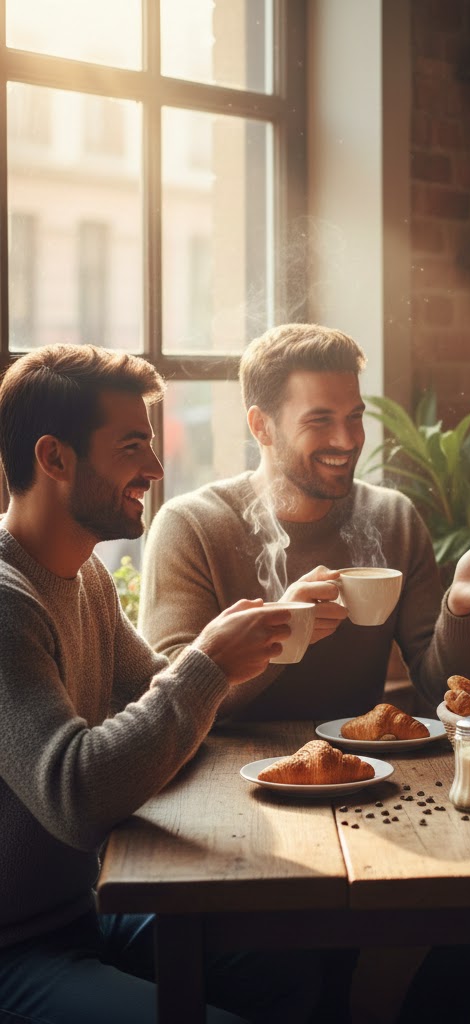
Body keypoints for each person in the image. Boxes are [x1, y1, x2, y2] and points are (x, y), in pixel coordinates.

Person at [0, 345, 320, 1023]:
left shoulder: (86, 577)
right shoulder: (7, 602)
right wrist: (206, 662)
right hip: (16, 951)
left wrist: (258, 643)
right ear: (54, 459)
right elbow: (77, 791)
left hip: (88, 909)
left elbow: (166, 700)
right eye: (131, 446)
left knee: (298, 954)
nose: (155, 467)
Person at [139, 323, 470, 720]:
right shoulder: (190, 526)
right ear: (261, 426)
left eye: (354, 416)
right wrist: (286, 630)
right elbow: (171, 702)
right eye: (320, 421)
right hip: (224, 778)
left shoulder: (392, 518)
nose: (348, 439)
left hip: (363, 768)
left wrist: (460, 610)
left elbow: (441, 692)